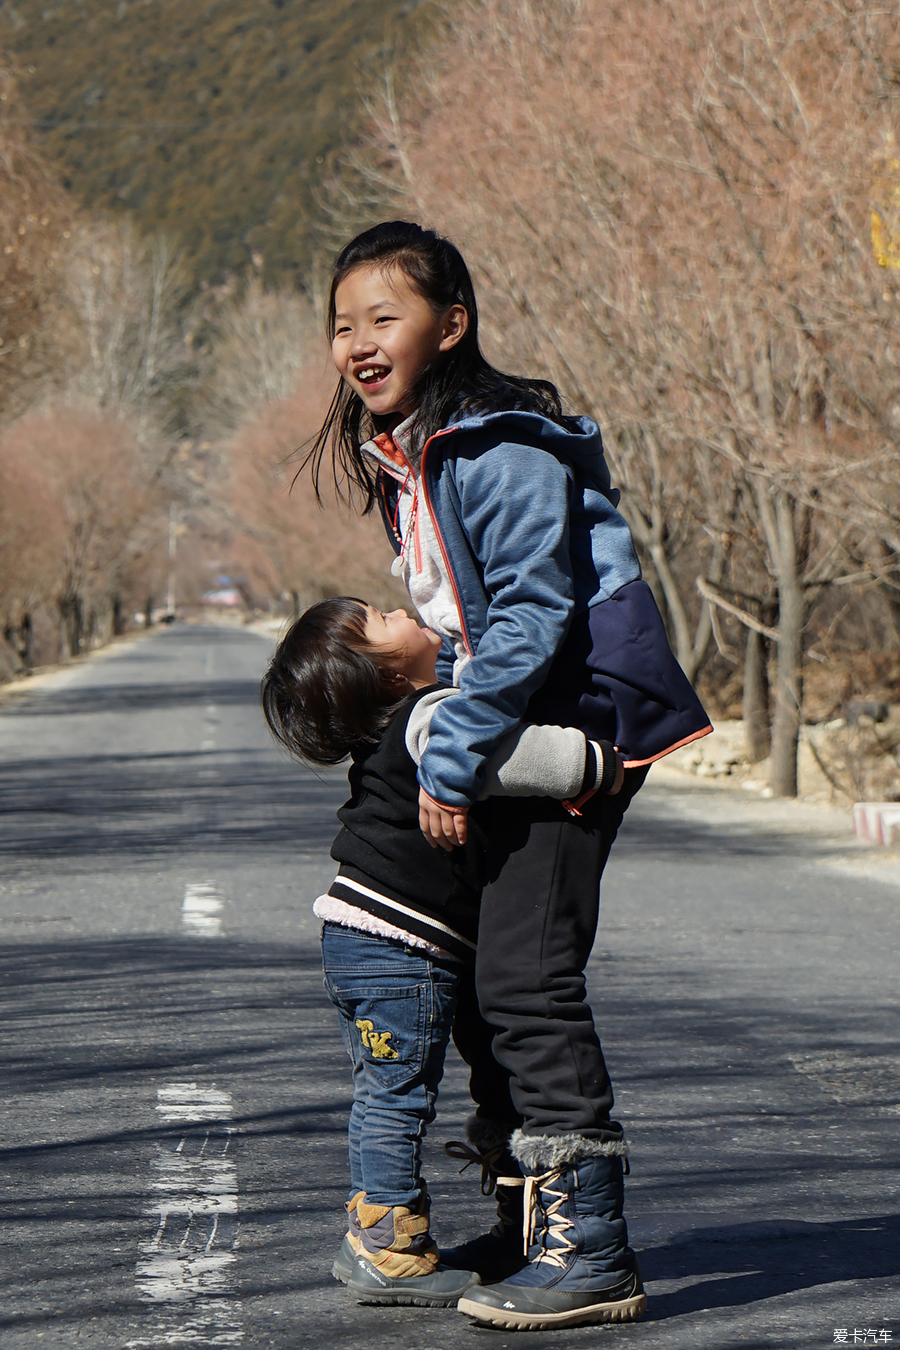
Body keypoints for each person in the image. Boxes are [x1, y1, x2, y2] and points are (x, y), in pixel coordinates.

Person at [305, 220, 713, 1331]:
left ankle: (594, 1247)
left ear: (452, 324)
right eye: (342, 325)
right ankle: (525, 1220)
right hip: (517, 729)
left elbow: (535, 617)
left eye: (382, 317)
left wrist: (453, 749)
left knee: (527, 980)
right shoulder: (421, 456)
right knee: (492, 981)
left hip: (573, 726)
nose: (357, 343)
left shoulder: (496, 446)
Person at [261, 596, 623, 1309]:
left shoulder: (399, 719)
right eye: (378, 617)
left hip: (362, 936)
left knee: (384, 1092)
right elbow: (523, 761)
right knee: (396, 1098)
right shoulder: (431, 716)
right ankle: (387, 1247)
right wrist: (600, 764)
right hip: (399, 945)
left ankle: (398, 1236)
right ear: (390, 677)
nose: (398, 604)